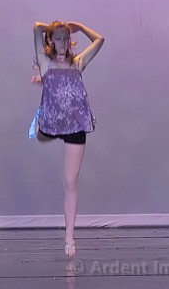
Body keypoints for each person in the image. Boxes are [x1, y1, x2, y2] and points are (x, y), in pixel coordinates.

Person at [33, 20, 104, 257]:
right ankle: (42, 129)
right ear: (52, 41)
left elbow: (100, 40)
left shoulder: (77, 63)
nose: (63, 42)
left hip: (75, 126)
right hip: (52, 124)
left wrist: (80, 27)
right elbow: (36, 28)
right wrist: (55, 27)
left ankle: (69, 237)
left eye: (66, 38)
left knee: (70, 183)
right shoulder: (46, 63)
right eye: (58, 38)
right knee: (42, 133)